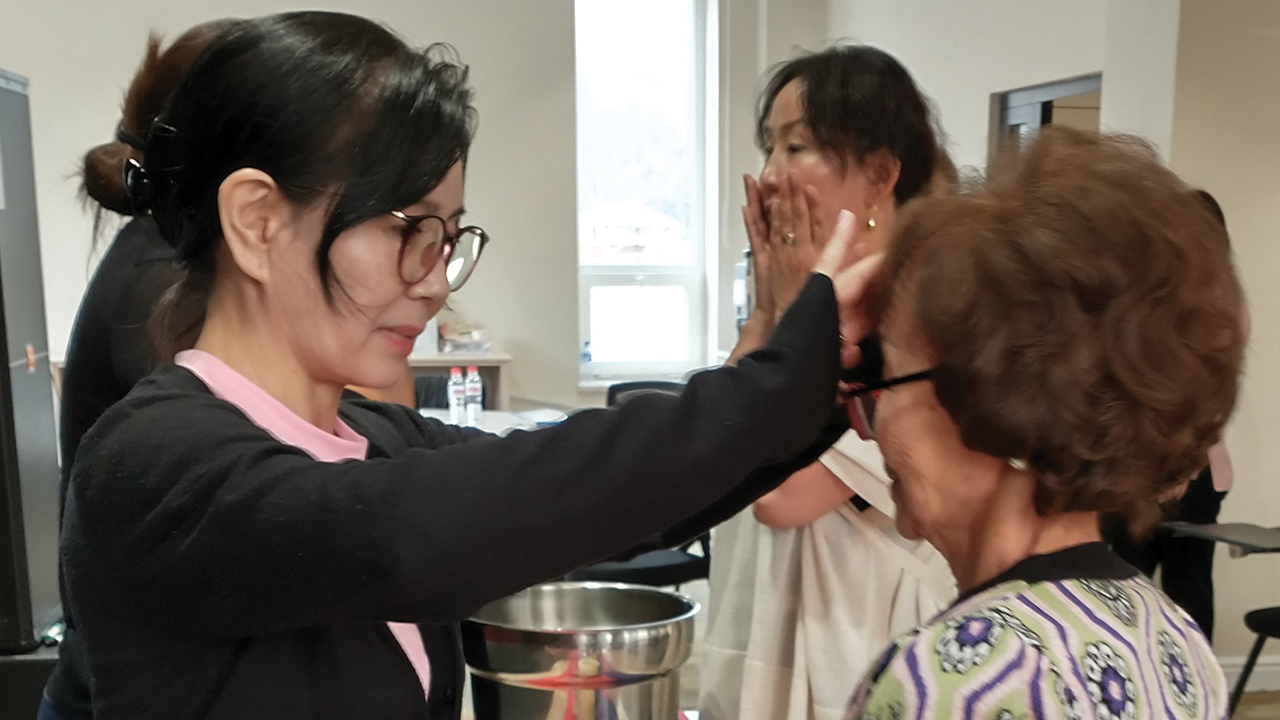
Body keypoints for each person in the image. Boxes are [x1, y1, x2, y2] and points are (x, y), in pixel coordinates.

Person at [58, 12, 885, 720]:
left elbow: (595, 496)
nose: (434, 280)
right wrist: (778, 382)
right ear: (257, 220)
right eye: (405, 229)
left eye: (448, 237)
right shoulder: (150, 464)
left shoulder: (373, 438)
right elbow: (412, 536)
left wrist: (823, 390)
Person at [844, 126, 1245, 720]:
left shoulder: (953, 683)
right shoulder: (1174, 637)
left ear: (1002, 409)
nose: (865, 423)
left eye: (886, 376)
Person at [701, 46, 956, 720]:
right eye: (769, 147)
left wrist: (793, 309)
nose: (770, 173)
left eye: (797, 146)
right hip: (770, 614)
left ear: (879, 174)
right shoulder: (807, 303)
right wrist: (766, 315)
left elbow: (777, 494)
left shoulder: (913, 315)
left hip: (858, 632)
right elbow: (707, 452)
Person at [1101, 189, 1234, 640]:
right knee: (1124, 584)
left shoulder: (1214, 308)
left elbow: (1210, 397)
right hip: (1144, 465)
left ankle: (1195, 682)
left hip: (1188, 469)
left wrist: (1183, 466)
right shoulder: (1150, 296)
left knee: (1186, 589)